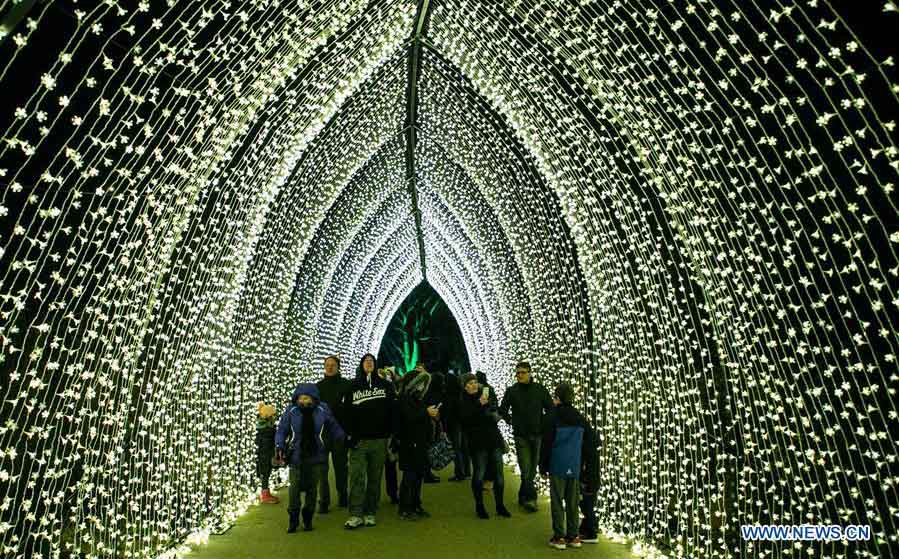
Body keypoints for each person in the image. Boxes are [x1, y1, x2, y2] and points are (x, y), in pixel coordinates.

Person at [275, 383, 345, 533]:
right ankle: (293, 519)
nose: (303, 401)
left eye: (306, 398)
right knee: (294, 490)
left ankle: (308, 517)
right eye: (300, 398)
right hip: (296, 456)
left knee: (312, 489)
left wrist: (342, 438)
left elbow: (333, 425)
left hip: (316, 455)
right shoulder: (291, 411)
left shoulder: (322, 409)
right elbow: (282, 429)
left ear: (313, 398)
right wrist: (279, 445)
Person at [340, 353, 396, 529]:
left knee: (375, 477)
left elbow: (391, 412)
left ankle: (370, 512)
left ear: (376, 364)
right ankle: (355, 514)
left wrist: (390, 435)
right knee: (356, 477)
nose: (369, 363)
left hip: (379, 440)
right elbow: (345, 413)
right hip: (359, 440)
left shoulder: (386, 386)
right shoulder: (353, 386)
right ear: (362, 364)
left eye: (372, 361)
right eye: (366, 361)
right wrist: (349, 435)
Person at [539, 382, 595, 550]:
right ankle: (573, 536)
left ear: (557, 398)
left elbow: (546, 443)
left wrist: (543, 466)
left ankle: (559, 537)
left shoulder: (551, 416)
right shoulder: (579, 417)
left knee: (557, 501)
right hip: (575, 464)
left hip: (557, 464)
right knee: (572, 501)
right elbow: (590, 440)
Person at [499, 361, 553, 512]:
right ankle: (531, 499)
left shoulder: (539, 390)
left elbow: (550, 408)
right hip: (521, 435)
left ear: (530, 373)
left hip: (537, 434)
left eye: (523, 372)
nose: (520, 375)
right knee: (526, 468)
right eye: (518, 373)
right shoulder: (512, 391)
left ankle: (523, 495)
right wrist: (512, 422)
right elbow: (503, 409)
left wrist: (542, 423)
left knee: (532, 469)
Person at [459, 373, 511, 520]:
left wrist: (491, 405)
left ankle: (500, 505)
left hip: (493, 440)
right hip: (477, 443)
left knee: (499, 476)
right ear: (464, 387)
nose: (473, 385)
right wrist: (479, 405)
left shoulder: (486, 395)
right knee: (479, 474)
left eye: (474, 382)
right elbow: (466, 420)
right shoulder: (463, 401)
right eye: (469, 383)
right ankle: (480, 506)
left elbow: (494, 414)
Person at [396, 371, 440, 520]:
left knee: (418, 475)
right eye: (420, 382)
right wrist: (426, 412)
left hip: (420, 443)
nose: (422, 386)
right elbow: (409, 417)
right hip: (409, 443)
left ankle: (415, 505)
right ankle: (405, 508)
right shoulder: (404, 398)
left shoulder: (417, 399)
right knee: (409, 476)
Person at [316, 355, 353, 512]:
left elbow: (351, 409)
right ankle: (324, 501)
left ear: (338, 367)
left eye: (332, 365)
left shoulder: (346, 385)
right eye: (327, 365)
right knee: (321, 468)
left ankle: (343, 495)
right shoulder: (318, 386)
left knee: (341, 467)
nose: (329, 367)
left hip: (340, 432)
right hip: (323, 434)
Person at [444, 370, 470, 481]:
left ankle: (459, 473)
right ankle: (467, 471)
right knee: (464, 449)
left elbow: (449, 414)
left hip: (454, 426)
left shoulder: (449, 396)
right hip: (462, 425)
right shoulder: (461, 394)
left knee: (456, 449)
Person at [579, 426, 600, 544]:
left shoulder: (585, 449)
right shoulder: (593, 448)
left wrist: (583, 479)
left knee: (586, 507)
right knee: (588, 506)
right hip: (594, 481)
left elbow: (585, 467)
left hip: (588, 482)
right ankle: (586, 528)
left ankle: (591, 533)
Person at [423, 368, 445, 483]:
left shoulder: (428, 391)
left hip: (430, 423)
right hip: (432, 423)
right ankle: (427, 473)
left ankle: (427, 472)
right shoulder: (439, 392)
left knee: (428, 447)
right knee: (429, 447)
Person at [255, 402, 280, 504]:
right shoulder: (266, 430)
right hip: (265, 456)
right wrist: (272, 455)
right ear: (268, 417)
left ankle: (266, 492)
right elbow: (266, 445)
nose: (275, 417)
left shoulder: (266, 428)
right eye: (273, 415)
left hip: (265, 455)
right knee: (265, 474)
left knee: (267, 473)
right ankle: (264, 494)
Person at [475, 371, 495, 492]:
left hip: (486, 425)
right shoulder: (487, 388)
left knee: (486, 457)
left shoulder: (484, 390)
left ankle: (486, 480)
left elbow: (488, 405)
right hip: (487, 425)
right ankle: (487, 480)